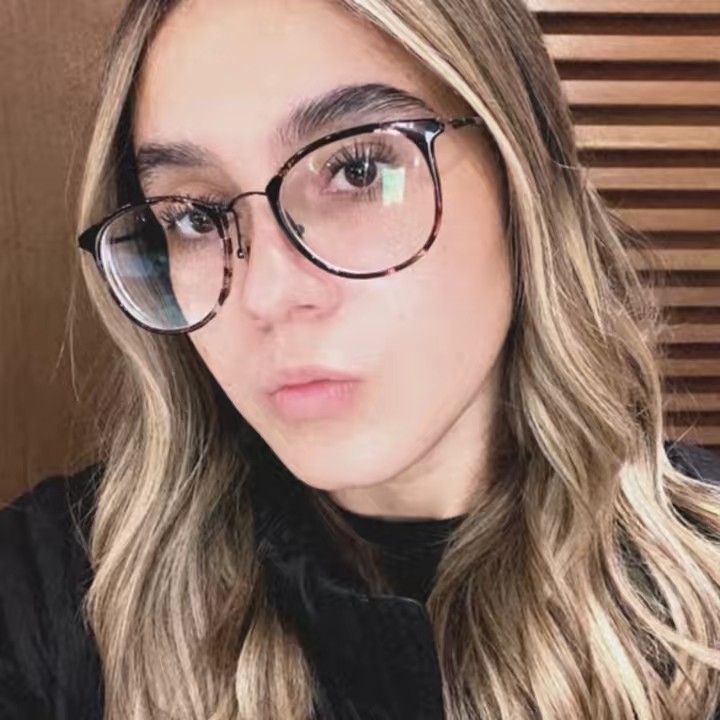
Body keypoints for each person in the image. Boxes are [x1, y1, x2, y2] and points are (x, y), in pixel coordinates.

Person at [2, 0, 720, 718]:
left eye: (358, 170)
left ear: (521, 179)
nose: (266, 294)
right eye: (193, 216)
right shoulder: (51, 593)